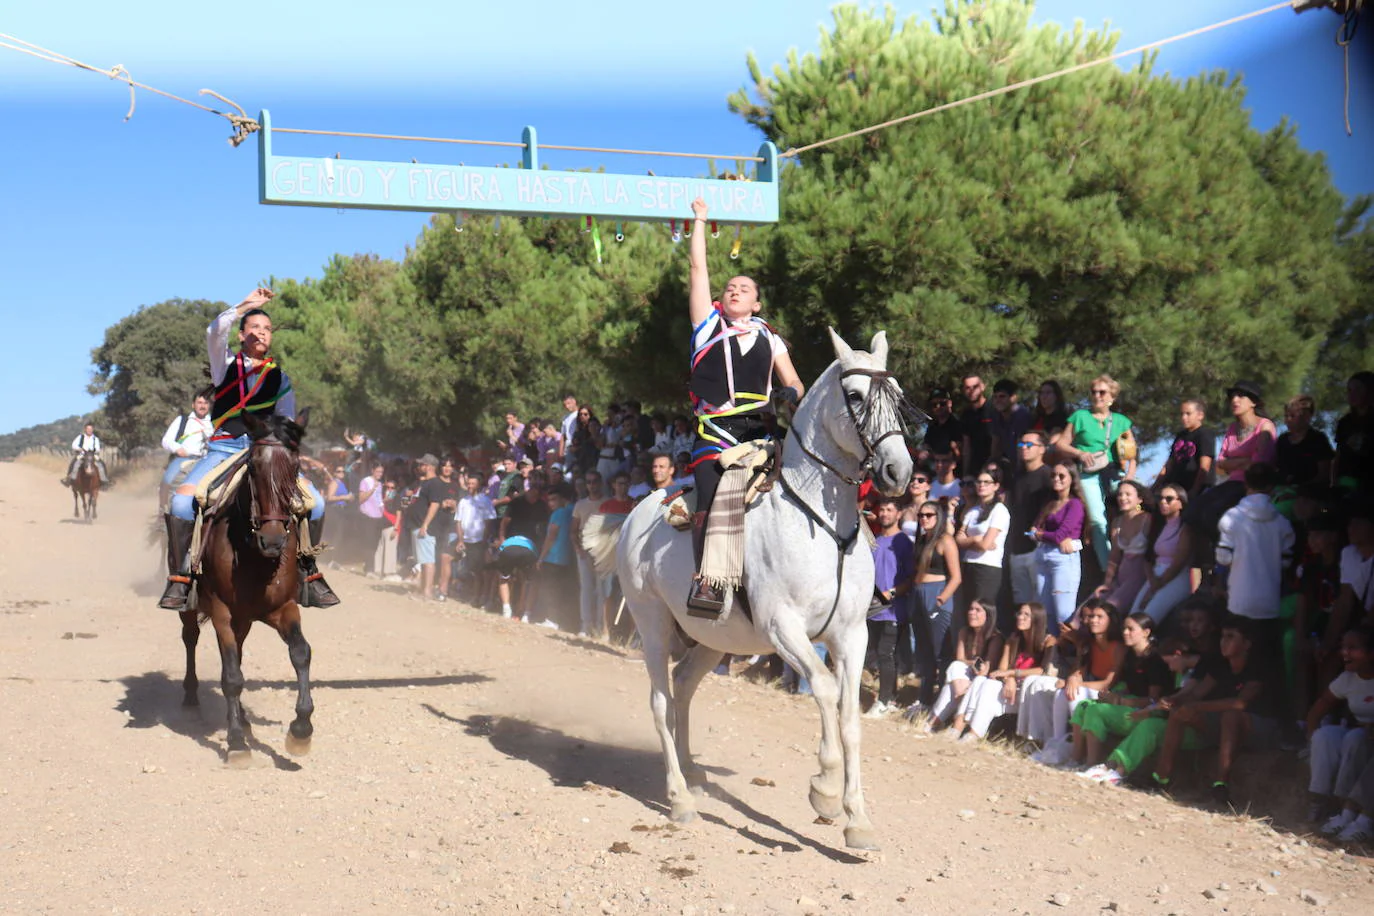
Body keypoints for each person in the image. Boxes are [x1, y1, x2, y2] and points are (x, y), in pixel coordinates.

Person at [159, 288, 337, 610]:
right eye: (254, 327)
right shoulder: (224, 365)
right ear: (241, 334)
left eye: (266, 330)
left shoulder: (280, 379)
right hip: (224, 450)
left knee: (318, 502)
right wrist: (245, 306)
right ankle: (181, 577)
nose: (260, 333)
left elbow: (285, 426)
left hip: (265, 453)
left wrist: (290, 452)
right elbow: (214, 331)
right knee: (182, 503)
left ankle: (308, 570)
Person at [684, 196, 804, 614]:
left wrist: (792, 396)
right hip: (715, 435)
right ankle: (707, 581)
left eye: (745, 289)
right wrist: (700, 220)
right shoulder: (706, 326)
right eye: (730, 287)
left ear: (757, 304)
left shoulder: (770, 337)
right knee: (712, 497)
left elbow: (793, 380)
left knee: (819, 482)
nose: (735, 290)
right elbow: (698, 269)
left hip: (762, 433)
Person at [1145, 615, 1283, 810]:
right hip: (1225, 728)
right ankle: (1160, 778)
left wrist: (1197, 707)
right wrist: (1174, 701)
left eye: (1230, 637)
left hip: (1261, 731)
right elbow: (1198, 695)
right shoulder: (1221, 664)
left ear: (1246, 644)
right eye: (1222, 637)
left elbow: (1239, 703)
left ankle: (1220, 786)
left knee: (1230, 715)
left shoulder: (1259, 667)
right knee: (1179, 713)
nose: (1223, 642)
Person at [1071, 612, 1177, 785]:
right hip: (1129, 703)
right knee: (1083, 705)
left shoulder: (1154, 659)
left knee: (1095, 711)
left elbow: (1153, 699)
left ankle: (1097, 765)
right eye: (1124, 629)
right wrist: (1114, 695)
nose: (1125, 633)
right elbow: (1129, 686)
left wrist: (1121, 701)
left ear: (1146, 632)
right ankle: (1080, 761)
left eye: (1130, 629)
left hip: (1148, 711)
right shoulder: (1130, 656)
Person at [1215, 463, 1295, 686]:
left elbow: (1223, 558)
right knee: (1269, 663)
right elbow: (1286, 561)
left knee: (1240, 663)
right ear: (1271, 487)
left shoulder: (1232, 517)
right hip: (1270, 603)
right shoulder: (1282, 521)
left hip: (1239, 602)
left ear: (1246, 484)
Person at [1024, 598, 1125, 764]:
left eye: (1100, 617)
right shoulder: (1091, 644)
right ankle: (1056, 744)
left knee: (1075, 693)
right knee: (1061, 694)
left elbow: (1108, 683)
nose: (1093, 620)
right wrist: (1072, 678)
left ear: (1111, 621)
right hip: (1091, 685)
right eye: (1092, 616)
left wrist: (1077, 683)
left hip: (1110, 692)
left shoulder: (1118, 647)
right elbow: (1081, 671)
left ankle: (1075, 750)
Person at [1184, 380, 1277, 554]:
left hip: (1253, 487)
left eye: (1241, 396)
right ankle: (1207, 563)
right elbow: (1219, 465)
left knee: (1212, 513)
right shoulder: (1232, 428)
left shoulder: (1265, 426)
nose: (1235, 400)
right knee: (1191, 511)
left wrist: (1233, 463)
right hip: (1230, 484)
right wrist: (1243, 461)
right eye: (1232, 396)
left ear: (1254, 402)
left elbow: (1258, 464)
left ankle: (1227, 557)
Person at [1053, 374, 1136, 570]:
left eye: (1102, 392)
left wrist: (1129, 480)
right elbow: (1060, 445)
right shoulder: (1079, 417)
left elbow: (1132, 455)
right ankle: (1108, 570)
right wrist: (1080, 453)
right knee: (1098, 521)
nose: (1097, 396)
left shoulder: (1121, 421)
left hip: (1114, 474)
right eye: (1094, 392)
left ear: (1112, 397)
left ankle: (1135, 558)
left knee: (1136, 507)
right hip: (1088, 475)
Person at [946, 602, 1053, 741]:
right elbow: (1002, 669)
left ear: (1037, 619)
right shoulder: (1013, 640)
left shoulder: (1048, 641)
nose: (1020, 617)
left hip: (1030, 693)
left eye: (1026, 614)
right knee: (983, 682)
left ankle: (959, 727)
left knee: (984, 683)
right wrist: (1009, 679)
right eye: (1020, 613)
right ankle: (971, 733)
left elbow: (1042, 670)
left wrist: (1011, 674)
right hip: (1011, 691)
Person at [1307, 627, 1374, 835]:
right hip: (1359, 733)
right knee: (1324, 736)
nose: (1345, 653)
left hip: (1365, 737)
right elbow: (1319, 707)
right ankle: (1319, 800)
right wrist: (1310, 736)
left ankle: (1348, 813)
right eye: (1343, 647)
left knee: (1355, 738)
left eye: (1353, 648)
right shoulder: (1347, 678)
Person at [866, 497, 915, 716]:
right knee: (881, 654)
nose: (884, 513)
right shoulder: (875, 540)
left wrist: (891, 594)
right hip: (872, 608)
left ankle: (884, 701)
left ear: (899, 514)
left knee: (886, 654)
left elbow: (911, 577)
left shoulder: (903, 542)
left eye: (889, 510)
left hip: (893, 609)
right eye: (882, 509)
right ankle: (890, 698)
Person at [910, 499, 962, 709]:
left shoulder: (945, 540)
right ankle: (924, 699)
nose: (924, 519)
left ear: (938, 517)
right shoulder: (922, 539)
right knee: (924, 650)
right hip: (918, 594)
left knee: (941, 651)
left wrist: (942, 598)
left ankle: (942, 701)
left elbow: (956, 576)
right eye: (921, 515)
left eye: (929, 515)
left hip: (937, 594)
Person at [923, 599, 1003, 732]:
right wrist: (973, 663)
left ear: (988, 615)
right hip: (965, 679)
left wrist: (978, 668)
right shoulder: (965, 632)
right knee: (955, 666)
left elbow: (988, 667)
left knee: (952, 686)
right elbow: (960, 658)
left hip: (983, 680)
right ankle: (959, 697)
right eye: (971, 609)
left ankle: (932, 722)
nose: (972, 613)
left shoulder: (995, 638)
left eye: (977, 610)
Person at [1029, 461, 1087, 633]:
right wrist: (1041, 535)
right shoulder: (1050, 503)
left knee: (1063, 613)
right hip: (1043, 557)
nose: (1056, 479)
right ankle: (1051, 655)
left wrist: (1040, 535)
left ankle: (1068, 654)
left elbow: (1060, 535)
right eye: (1053, 475)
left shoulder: (1075, 504)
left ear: (1072, 479)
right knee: (1044, 612)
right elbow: (1034, 529)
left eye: (1062, 476)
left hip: (1063, 559)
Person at [1130, 484, 1195, 625]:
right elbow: (1148, 558)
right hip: (1156, 575)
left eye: (1169, 499)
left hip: (1176, 576)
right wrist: (1152, 580)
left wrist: (1156, 586)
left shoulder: (1185, 529)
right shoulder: (1158, 526)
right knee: (1133, 616)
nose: (1163, 502)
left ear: (1181, 503)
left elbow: (1179, 563)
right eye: (1160, 498)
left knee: (1146, 619)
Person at [1007, 431, 1053, 618]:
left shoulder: (1049, 476)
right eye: (1021, 445)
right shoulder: (1016, 477)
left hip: (1039, 548)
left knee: (1040, 606)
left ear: (1042, 449)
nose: (1023, 448)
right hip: (1016, 549)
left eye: (1029, 445)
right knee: (1021, 607)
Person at [954, 466, 1008, 625]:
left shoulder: (999, 510)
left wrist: (973, 541)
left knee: (981, 613)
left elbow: (985, 545)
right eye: (979, 481)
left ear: (996, 486)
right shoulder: (973, 511)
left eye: (987, 482)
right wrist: (976, 540)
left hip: (987, 568)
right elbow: (958, 538)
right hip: (969, 565)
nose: (981, 485)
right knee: (967, 612)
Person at [1096, 480, 1152, 614]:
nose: (1123, 498)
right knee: (1093, 604)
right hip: (1121, 574)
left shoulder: (1148, 519)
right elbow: (1114, 556)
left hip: (1140, 574)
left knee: (1109, 609)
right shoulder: (1117, 522)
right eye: (1120, 494)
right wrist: (1107, 582)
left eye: (1128, 494)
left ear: (1139, 499)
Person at [157, 393, 214, 508]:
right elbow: (166, 440)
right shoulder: (182, 420)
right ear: (193, 405)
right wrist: (178, 448)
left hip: (207, 460)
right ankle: (164, 513)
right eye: (199, 403)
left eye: (205, 403)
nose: (202, 406)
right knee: (168, 481)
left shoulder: (214, 422)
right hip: (184, 459)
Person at [533, 484, 576, 630]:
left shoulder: (557, 514)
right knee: (562, 591)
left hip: (553, 558)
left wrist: (541, 558)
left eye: (554, 499)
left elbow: (550, 537)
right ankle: (562, 621)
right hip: (567, 559)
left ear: (562, 499)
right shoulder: (573, 510)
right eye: (549, 500)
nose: (551, 503)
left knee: (551, 590)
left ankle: (552, 619)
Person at [571, 470, 609, 637]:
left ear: (600, 483)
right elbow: (573, 530)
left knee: (603, 592)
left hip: (603, 551)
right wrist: (578, 549)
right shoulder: (580, 504)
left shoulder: (608, 503)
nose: (592, 485)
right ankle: (586, 626)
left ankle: (601, 628)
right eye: (589, 482)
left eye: (594, 482)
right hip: (585, 551)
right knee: (586, 589)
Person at [1156, 399, 1215, 498]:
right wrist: (1156, 485)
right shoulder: (1180, 435)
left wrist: (1195, 490)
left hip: (1194, 489)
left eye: (1188, 414)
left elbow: (1204, 466)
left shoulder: (1204, 434)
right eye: (1182, 414)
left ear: (1200, 415)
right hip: (1175, 487)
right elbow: (1169, 463)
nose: (1184, 417)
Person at [408, 454, 447, 601]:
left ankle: (427, 592)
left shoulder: (435, 483)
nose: (419, 467)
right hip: (417, 525)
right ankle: (422, 589)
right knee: (422, 560)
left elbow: (435, 504)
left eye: (422, 465)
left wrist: (425, 524)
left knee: (428, 561)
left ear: (429, 466)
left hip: (426, 527)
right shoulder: (425, 483)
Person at [1276, 394, 1334, 490]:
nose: (1288, 420)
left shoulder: (1317, 439)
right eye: (1286, 416)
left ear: (1307, 417)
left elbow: (1324, 474)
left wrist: (1299, 489)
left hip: (1309, 492)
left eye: (1292, 416)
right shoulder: (1282, 440)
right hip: (1283, 490)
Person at [454, 472, 497, 602]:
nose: (470, 486)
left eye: (473, 484)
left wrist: (484, 540)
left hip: (478, 540)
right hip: (465, 540)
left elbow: (489, 521)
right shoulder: (463, 501)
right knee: (467, 569)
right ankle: (468, 593)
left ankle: (478, 596)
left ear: (479, 485)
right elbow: (458, 521)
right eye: (469, 484)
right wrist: (460, 540)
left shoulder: (485, 500)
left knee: (478, 570)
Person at [1335, 371, 1374, 493]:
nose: (1352, 394)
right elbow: (1339, 455)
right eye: (1349, 390)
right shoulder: (1344, 423)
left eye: (1358, 389)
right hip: (1346, 481)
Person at [988, 379, 1032, 471]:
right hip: (1008, 464)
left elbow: (1021, 446)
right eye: (995, 397)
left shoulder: (1022, 415)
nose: (998, 400)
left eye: (1002, 396)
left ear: (1013, 397)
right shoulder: (996, 415)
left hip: (1025, 464)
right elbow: (996, 443)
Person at [959, 374, 995, 476]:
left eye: (975, 387)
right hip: (975, 467)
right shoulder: (966, 414)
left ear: (982, 387)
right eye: (967, 388)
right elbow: (966, 446)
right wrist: (965, 473)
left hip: (994, 466)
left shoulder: (993, 409)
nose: (971, 391)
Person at [923, 388, 963, 466]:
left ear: (950, 403)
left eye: (942, 403)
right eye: (934, 405)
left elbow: (958, 454)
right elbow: (926, 446)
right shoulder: (932, 427)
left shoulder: (958, 425)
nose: (938, 407)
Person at [62, 422, 110, 488]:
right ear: (85, 429)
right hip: (82, 455)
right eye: (88, 429)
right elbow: (74, 445)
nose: (89, 430)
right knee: (74, 463)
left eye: (90, 429)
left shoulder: (95, 439)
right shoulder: (80, 437)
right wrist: (80, 449)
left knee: (101, 464)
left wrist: (93, 451)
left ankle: (104, 481)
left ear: (92, 430)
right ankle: (69, 479)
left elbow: (98, 448)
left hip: (92, 455)